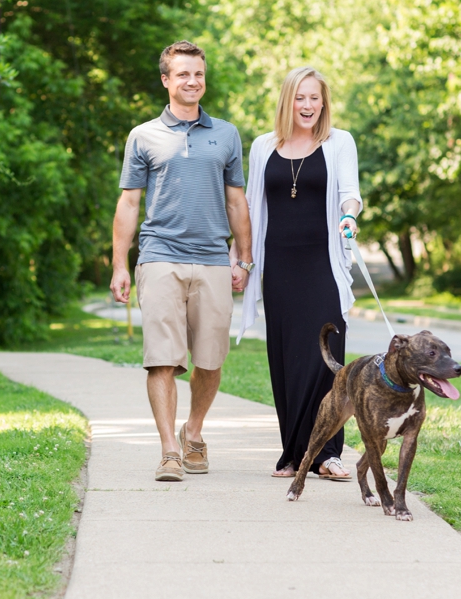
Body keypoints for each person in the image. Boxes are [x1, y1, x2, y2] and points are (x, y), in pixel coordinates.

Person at [110, 41, 253, 482]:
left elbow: (236, 201)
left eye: (199, 74)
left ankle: (193, 431)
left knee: (210, 361)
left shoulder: (226, 134)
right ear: (166, 80)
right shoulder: (143, 135)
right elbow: (129, 204)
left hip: (212, 259)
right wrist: (119, 264)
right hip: (159, 258)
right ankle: (170, 450)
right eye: (184, 74)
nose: (193, 81)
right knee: (162, 360)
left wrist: (243, 260)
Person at [236, 66, 362, 480]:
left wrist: (349, 218)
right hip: (279, 269)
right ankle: (293, 453)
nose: (307, 105)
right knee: (287, 360)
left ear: (324, 102)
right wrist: (243, 259)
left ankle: (328, 454)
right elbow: (250, 210)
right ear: (287, 101)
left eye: (314, 98)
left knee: (326, 361)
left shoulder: (339, 142)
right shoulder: (261, 147)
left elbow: (350, 194)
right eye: (299, 98)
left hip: (321, 265)